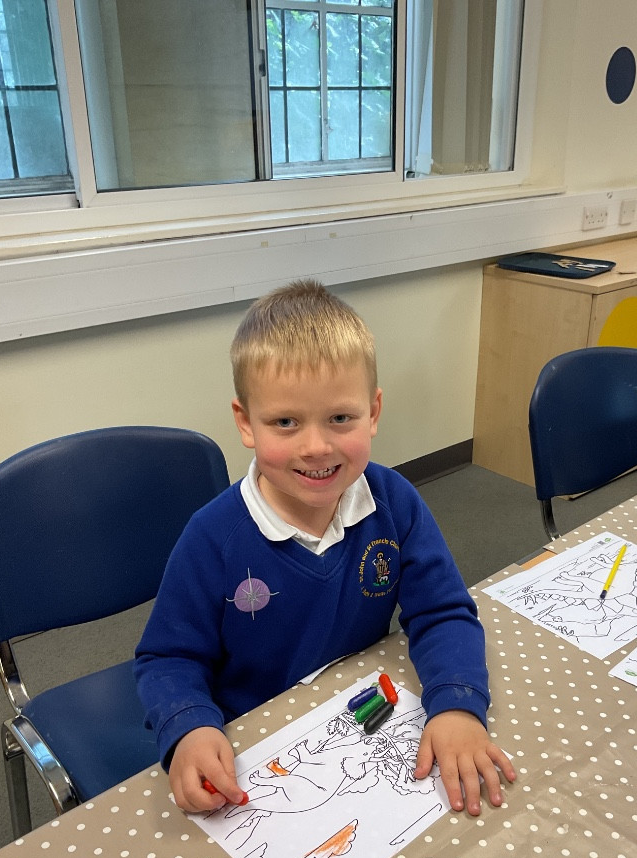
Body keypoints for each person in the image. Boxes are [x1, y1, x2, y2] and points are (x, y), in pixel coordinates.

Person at [135, 279, 515, 815]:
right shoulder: (212, 537)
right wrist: (189, 726)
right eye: (285, 422)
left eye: (340, 418)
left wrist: (456, 705)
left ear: (373, 411)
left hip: (359, 724)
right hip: (253, 749)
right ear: (246, 423)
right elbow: (168, 657)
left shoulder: (394, 503)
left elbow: (443, 613)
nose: (316, 447)